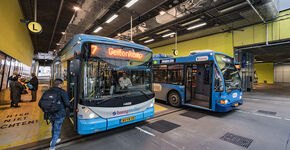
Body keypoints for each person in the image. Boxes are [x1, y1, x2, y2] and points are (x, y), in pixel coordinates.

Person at [38, 79, 70, 150]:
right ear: (60, 85)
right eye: (62, 84)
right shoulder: (62, 92)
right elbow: (67, 104)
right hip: (59, 114)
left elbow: (40, 103)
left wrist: (47, 110)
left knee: (54, 127)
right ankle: (52, 146)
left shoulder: (47, 91)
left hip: (49, 114)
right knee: (57, 130)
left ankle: (54, 139)